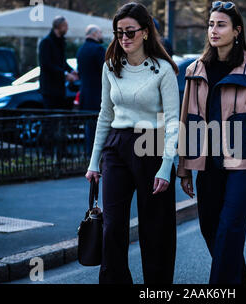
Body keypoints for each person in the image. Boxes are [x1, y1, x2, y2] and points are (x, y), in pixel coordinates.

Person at [177, 1, 246, 284]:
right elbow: (188, 119)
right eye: (211, 24)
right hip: (207, 166)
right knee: (211, 230)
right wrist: (185, 167)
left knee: (230, 230)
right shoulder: (195, 69)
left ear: (237, 31)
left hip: (243, 166)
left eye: (221, 24)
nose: (214, 30)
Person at [85, 2, 180, 284]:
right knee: (112, 226)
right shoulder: (110, 67)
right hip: (116, 147)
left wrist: (166, 167)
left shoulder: (163, 70)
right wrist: (94, 163)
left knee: (156, 228)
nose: (124, 38)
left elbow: (173, 121)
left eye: (130, 32)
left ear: (146, 32)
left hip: (152, 144)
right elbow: (105, 115)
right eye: (119, 33)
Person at [76, 24, 106, 156]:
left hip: (85, 95)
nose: (101, 35)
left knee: (90, 128)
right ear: (94, 34)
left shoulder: (81, 50)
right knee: (101, 129)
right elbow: (106, 72)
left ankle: (90, 155)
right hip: (99, 95)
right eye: (100, 33)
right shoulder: (99, 49)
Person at [38, 16, 78, 110]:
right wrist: (65, 74)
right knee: (51, 118)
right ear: (59, 26)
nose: (67, 28)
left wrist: (72, 71)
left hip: (59, 88)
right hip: (49, 89)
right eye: (66, 26)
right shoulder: (46, 42)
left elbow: (62, 62)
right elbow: (46, 64)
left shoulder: (60, 42)